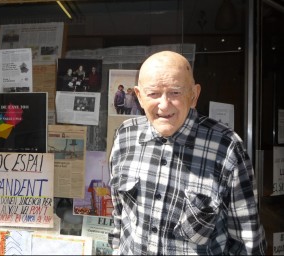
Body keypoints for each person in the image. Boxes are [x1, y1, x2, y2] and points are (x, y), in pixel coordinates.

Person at [108, 51, 267, 255]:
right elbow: (120, 216)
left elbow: (248, 243)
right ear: (138, 96)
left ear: (194, 95)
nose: (164, 105)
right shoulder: (125, 136)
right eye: (153, 93)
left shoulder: (226, 148)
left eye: (175, 92)